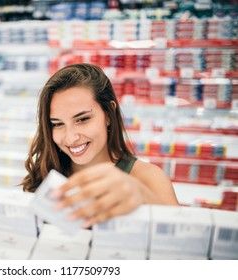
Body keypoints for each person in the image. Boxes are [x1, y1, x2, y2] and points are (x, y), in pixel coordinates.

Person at [21, 63, 179, 228]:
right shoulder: (43, 176)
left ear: (108, 114)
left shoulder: (149, 178)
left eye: (82, 119)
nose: (71, 138)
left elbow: (185, 244)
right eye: (57, 124)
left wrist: (143, 195)